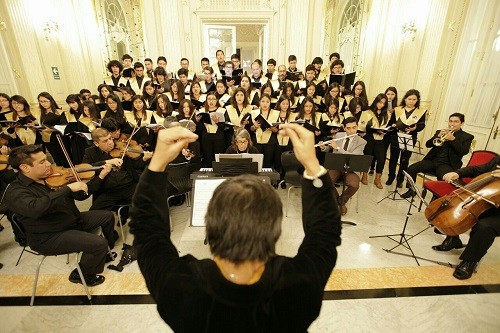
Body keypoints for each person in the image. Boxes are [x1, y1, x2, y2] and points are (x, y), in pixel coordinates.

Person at [129, 123, 341, 332]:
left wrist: (157, 163)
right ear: (275, 230)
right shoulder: (300, 288)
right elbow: (324, 233)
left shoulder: (179, 290)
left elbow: (148, 234)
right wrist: (312, 164)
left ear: (210, 225)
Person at [5, 145, 116, 286]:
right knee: (99, 243)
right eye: (42, 162)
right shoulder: (15, 191)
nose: (48, 165)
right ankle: (81, 274)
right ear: (25, 168)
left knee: (107, 216)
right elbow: (35, 208)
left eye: (47, 160)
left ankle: (102, 254)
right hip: (49, 236)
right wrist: (66, 189)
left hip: (72, 220)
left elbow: (81, 196)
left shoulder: (51, 177)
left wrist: (100, 174)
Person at [432, 156, 500, 280]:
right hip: (487, 202)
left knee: (485, 226)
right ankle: (453, 239)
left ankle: (470, 261)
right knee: (451, 209)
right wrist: (457, 173)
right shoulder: (498, 160)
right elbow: (478, 169)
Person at [401, 113, 474, 198]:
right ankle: (411, 190)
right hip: (432, 161)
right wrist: (438, 136)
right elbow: (428, 144)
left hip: (447, 164)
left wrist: (453, 139)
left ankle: (436, 197)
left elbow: (464, 151)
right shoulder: (440, 132)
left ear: (461, 123)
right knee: (411, 169)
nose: (452, 124)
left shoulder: (467, 136)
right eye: (450, 121)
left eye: (456, 122)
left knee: (444, 179)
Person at [320, 116, 366, 215]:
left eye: (354, 127)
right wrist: (325, 148)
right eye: (348, 128)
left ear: (357, 127)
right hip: (336, 165)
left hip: (352, 168)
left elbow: (352, 157)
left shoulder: (361, 142)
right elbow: (331, 148)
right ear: (344, 128)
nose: (352, 131)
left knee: (354, 185)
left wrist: (338, 148)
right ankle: (338, 200)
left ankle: (341, 201)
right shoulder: (338, 135)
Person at [386, 89, 426, 188]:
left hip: (410, 137)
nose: (411, 101)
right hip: (396, 136)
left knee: (404, 160)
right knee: (393, 158)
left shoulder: (420, 111)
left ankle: (400, 180)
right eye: (409, 99)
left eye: (414, 99)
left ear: (417, 100)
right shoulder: (398, 109)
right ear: (405, 99)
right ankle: (391, 177)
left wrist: (415, 128)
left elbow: (422, 125)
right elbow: (391, 122)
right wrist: (394, 125)